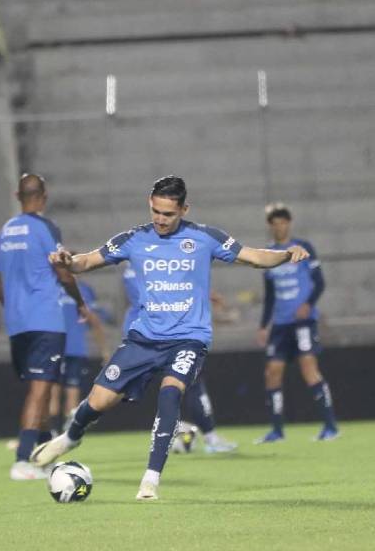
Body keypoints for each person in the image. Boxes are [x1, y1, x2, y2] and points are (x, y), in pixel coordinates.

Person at [30, 175, 309, 500]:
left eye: (168, 214)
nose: (160, 220)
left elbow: (255, 257)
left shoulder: (204, 237)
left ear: (184, 209)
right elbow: (85, 262)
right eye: (156, 211)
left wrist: (287, 254)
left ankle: (150, 480)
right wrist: (67, 260)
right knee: (98, 402)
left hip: (188, 339)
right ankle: (71, 437)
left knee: (171, 393)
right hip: (144, 339)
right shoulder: (134, 238)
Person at [0, 173, 90, 481]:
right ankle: (22, 459)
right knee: (41, 390)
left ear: (17, 195)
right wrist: (79, 301)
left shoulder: (5, 231)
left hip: (17, 321)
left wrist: (14, 310)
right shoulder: (46, 228)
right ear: (44, 196)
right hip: (45, 319)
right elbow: (62, 273)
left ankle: (46, 455)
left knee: (43, 386)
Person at [123, 269, 237, 454]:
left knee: (124, 388)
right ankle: (209, 438)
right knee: (192, 382)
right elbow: (160, 297)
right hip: (160, 332)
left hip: (141, 333)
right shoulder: (150, 264)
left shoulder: (136, 262)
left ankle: (77, 425)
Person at [255, 203, 339, 443]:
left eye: (283, 222)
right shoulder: (269, 255)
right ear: (270, 226)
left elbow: (320, 282)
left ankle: (330, 426)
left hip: (302, 322)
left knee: (309, 369)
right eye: (275, 223)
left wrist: (308, 304)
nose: (279, 226)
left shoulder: (304, 248)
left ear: (289, 224)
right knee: (272, 372)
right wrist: (263, 325)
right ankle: (277, 430)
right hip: (280, 325)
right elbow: (269, 295)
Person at [49, 278, 109, 435]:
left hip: (55, 347)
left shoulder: (51, 287)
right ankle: (67, 435)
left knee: (53, 393)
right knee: (72, 393)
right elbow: (94, 321)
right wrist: (104, 350)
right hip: (76, 349)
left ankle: (52, 433)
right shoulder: (84, 290)